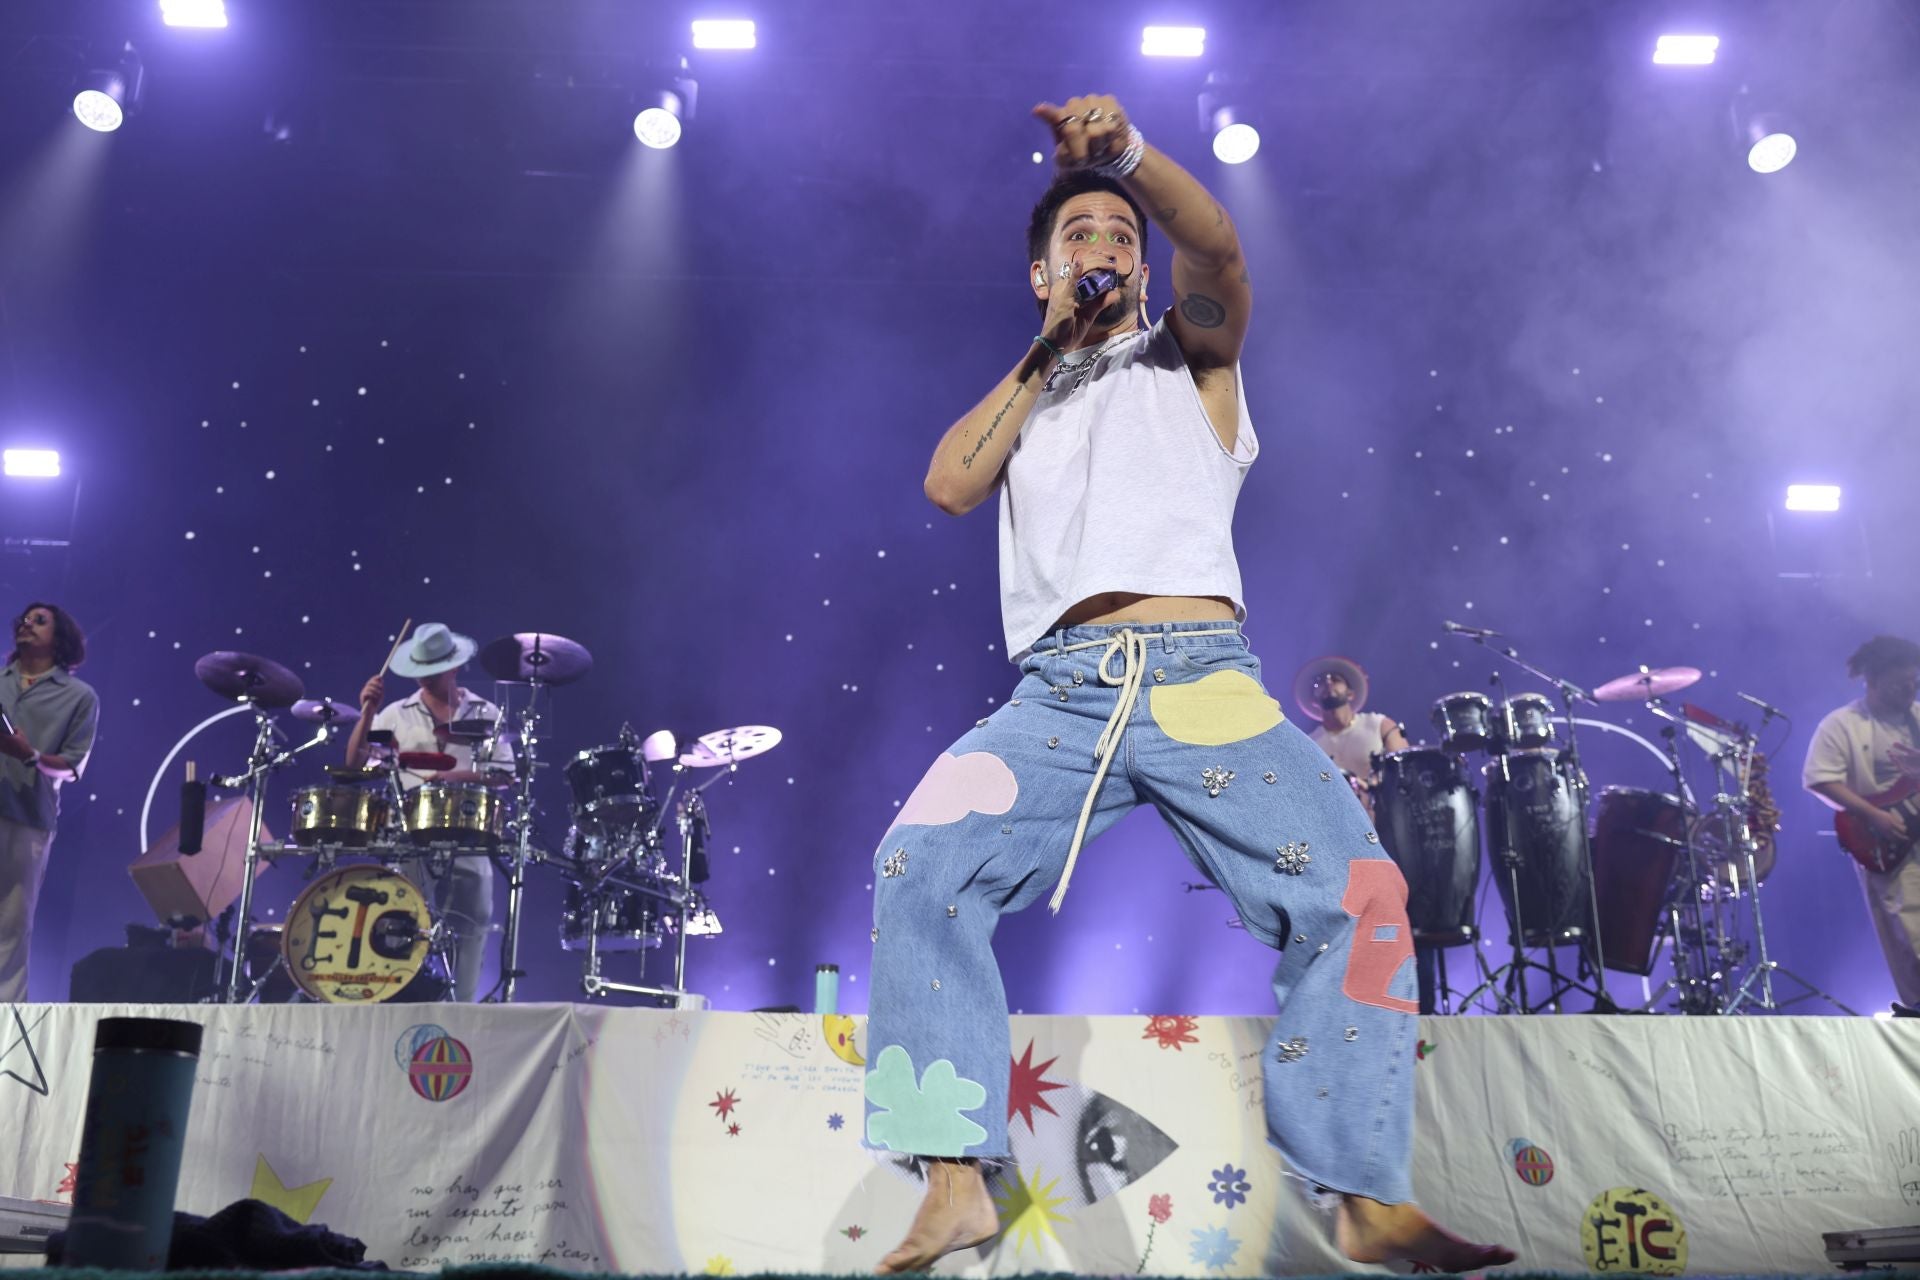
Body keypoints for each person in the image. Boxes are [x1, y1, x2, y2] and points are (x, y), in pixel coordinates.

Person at [862, 94, 1513, 1274]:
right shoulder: (1029, 391)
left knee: (1362, 890)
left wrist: (1123, 159)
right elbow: (950, 486)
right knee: (918, 867)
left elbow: (1218, 247)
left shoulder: (1195, 358)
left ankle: (1364, 1189)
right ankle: (954, 1178)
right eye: (1081, 235)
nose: (1107, 245)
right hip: (1058, 695)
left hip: (1203, 681)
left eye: (1123, 233)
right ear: (1040, 273)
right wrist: (1050, 347)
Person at [342, 622, 511, 1001]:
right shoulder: (397, 713)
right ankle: (399, 1003)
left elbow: (505, 775)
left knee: (472, 925)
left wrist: (452, 776)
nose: (427, 679)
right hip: (412, 836)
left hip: (469, 833)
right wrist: (367, 710)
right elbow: (354, 763)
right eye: (421, 671)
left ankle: (462, 1013)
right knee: (403, 923)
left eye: (434, 670)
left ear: (454, 666)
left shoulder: (484, 712)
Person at [1803, 633, 1920, 1009]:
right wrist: (1874, 815)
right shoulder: (1842, 724)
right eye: (1901, 684)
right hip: (1889, 843)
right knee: (1912, 936)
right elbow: (1819, 778)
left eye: (1914, 682)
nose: (1910, 689)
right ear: (1872, 680)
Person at [0, 602, 99, 1001]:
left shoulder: (79, 697)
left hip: (27, 820)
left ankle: (7, 1030)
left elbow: (72, 767)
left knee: (10, 925)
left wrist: (30, 754)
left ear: (59, 640)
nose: (27, 623)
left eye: (39, 621)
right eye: (24, 618)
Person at [1297, 656, 1409, 808]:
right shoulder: (1309, 745)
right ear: (1313, 701)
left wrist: (1373, 784)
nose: (1327, 683)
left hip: (1385, 816)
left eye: (1335, 679)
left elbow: (1405, 770)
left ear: (1351, 693)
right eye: (1320, 682)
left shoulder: (1380, 725)